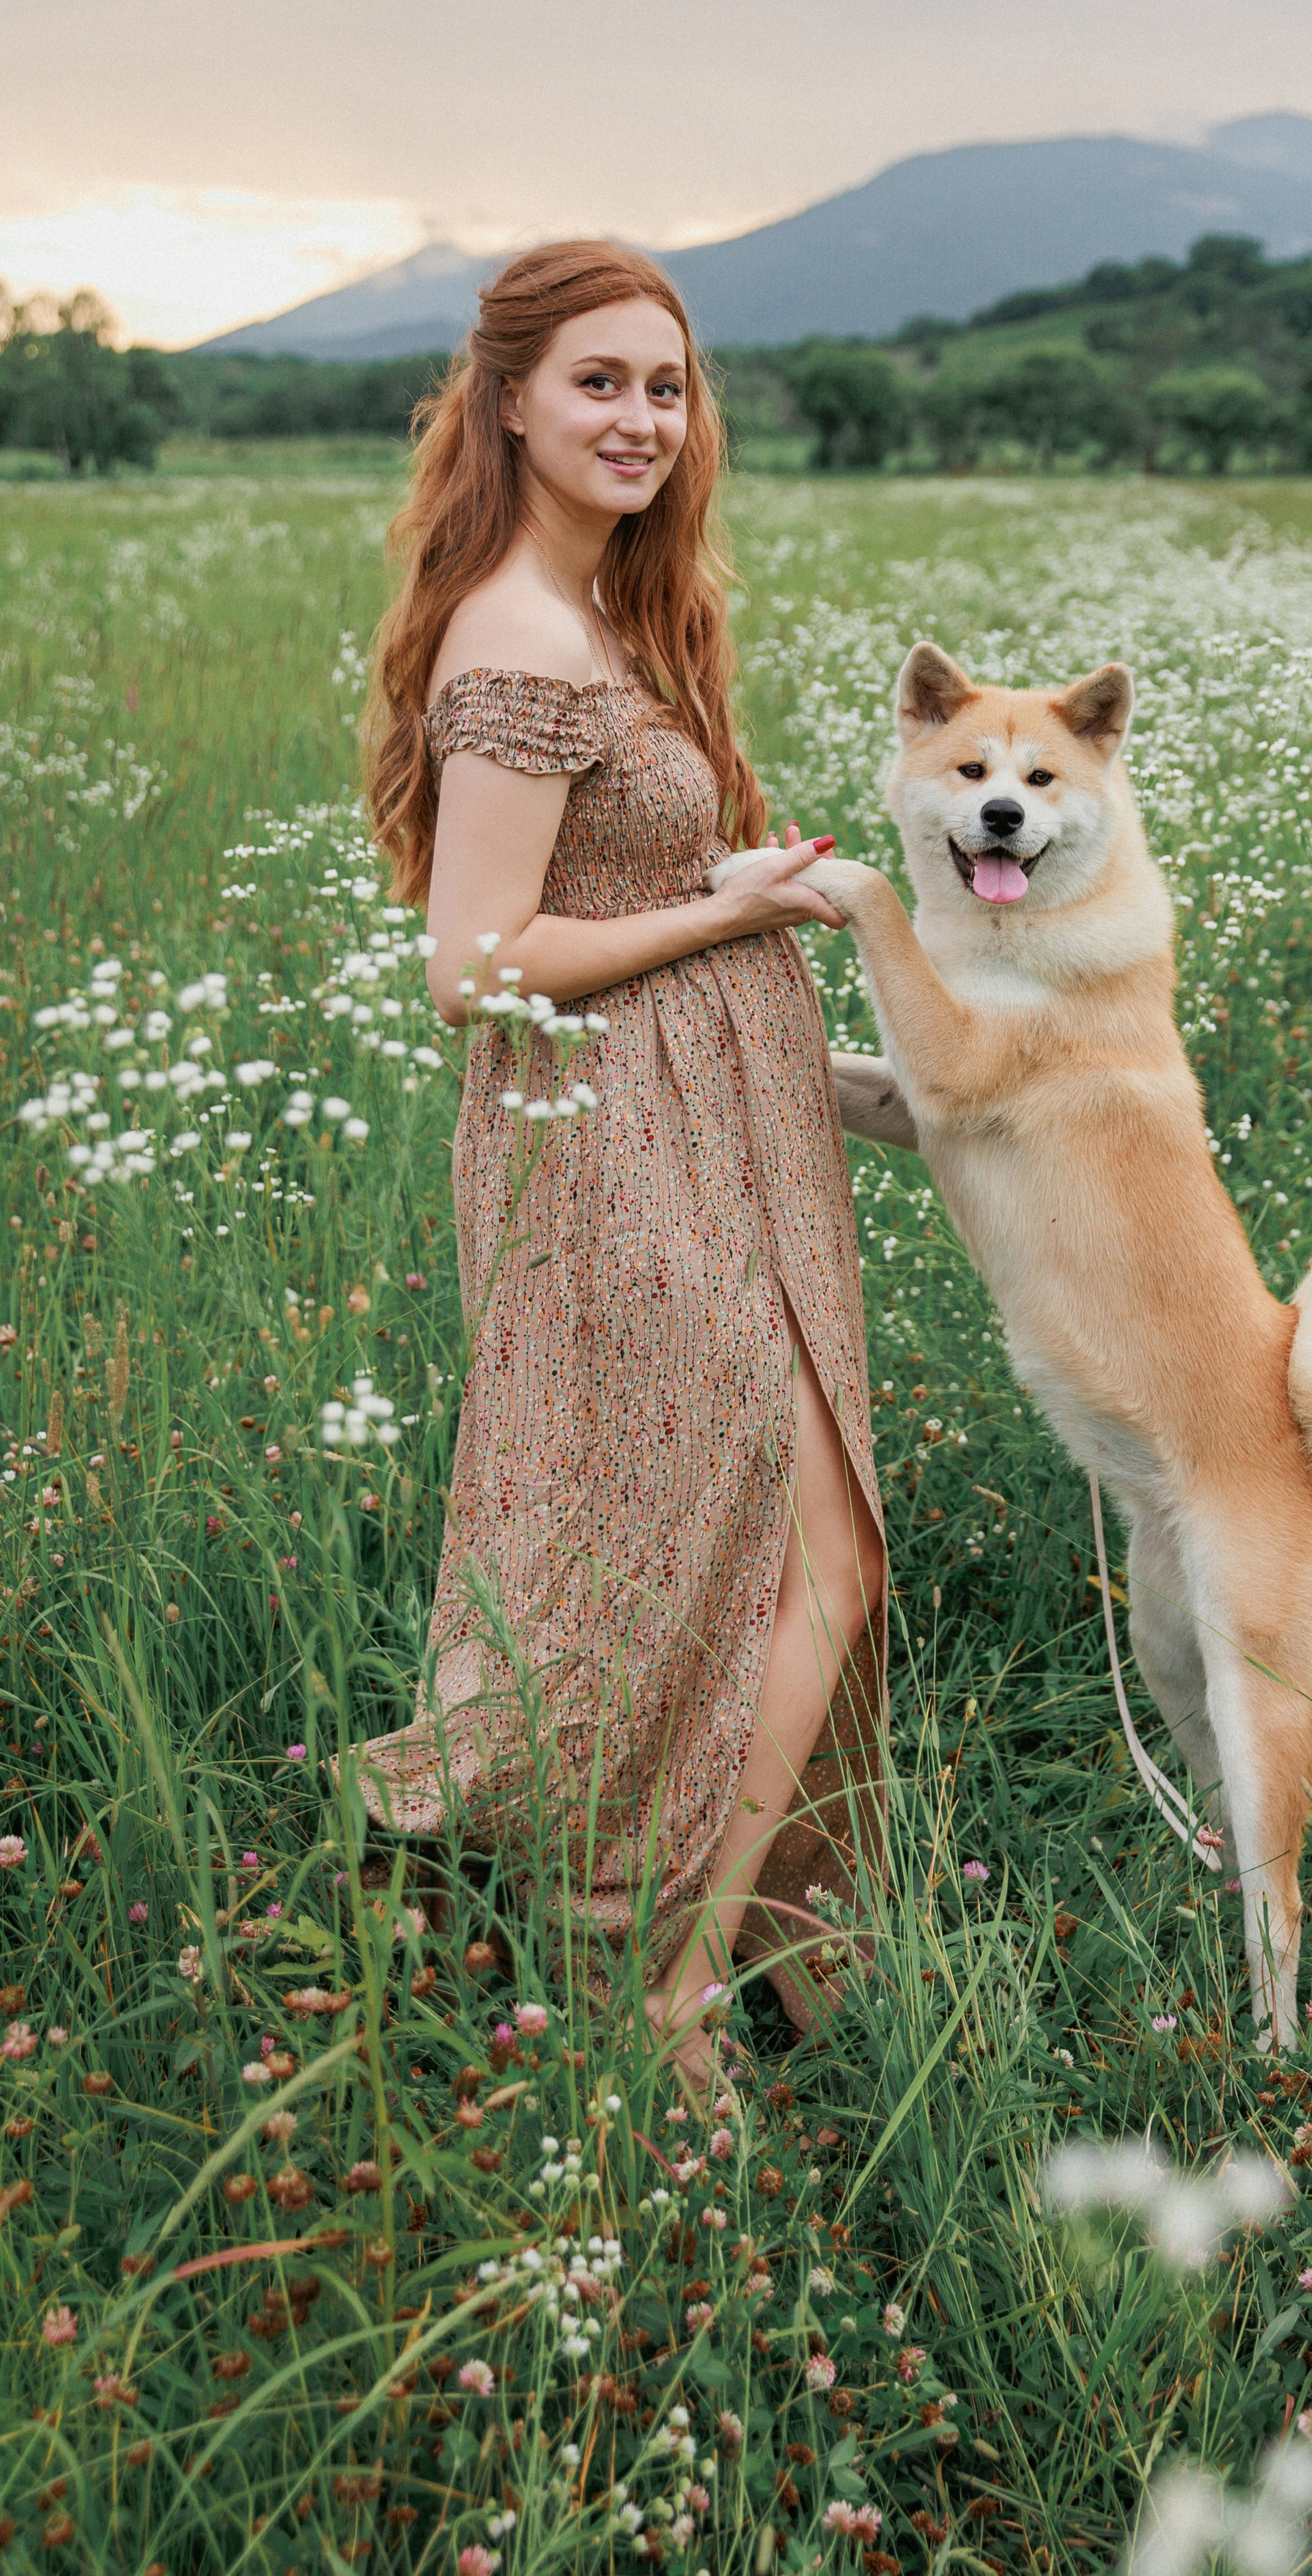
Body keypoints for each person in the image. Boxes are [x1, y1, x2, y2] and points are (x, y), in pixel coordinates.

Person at [359, 238, 885, 2086]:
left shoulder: (614, 616)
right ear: (506, 399)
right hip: (602, 1156)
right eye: (600, 381)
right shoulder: (516, 627)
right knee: (783, 1551)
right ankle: (659, 1977)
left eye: (665, 385)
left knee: (735, 1547)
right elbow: (477, 963)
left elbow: (630, 926)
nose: (641, 418)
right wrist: (722, 903)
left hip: (700, 1129)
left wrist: (848, 1057)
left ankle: (696, 1934)